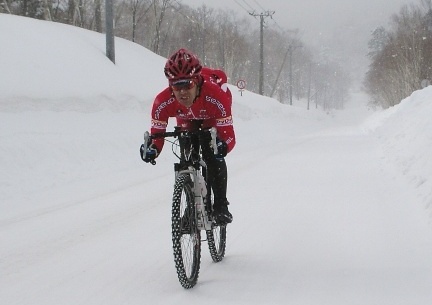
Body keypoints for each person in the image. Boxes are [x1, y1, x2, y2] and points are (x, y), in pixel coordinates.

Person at [140, 48, 235, 224]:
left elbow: (229, 136)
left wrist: (222, 146)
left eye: (188, 85)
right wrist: (152, 149)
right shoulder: (162, 101)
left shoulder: (215, 96)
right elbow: (157, 134)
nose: (182, 92)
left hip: (211, 115)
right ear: (170, 86)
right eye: (177, 86)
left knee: (212, 152)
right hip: (186, 118)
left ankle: (221, 205)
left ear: (197, 82)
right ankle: (191, 208)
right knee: (186, 147)